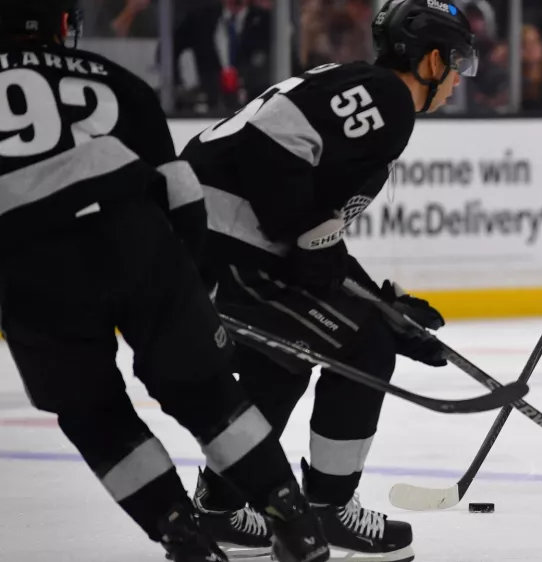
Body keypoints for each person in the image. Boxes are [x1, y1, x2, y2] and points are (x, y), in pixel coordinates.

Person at [0, 2, 329, 562]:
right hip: (137, 241)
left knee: (94, 412)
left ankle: (183, 537)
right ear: (61, 24)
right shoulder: (114, 78)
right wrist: (192, 283)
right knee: (205, 390)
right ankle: (296, 522)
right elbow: (181, 192)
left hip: (29, 264)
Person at [179, 0, 478, 559]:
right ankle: (329, 509)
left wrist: (382, 301)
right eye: (457, 63)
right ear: (433, 61)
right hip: (225, 239)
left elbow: (316, 235)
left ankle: (221, 506)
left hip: (207, 234)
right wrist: (363, 306)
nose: (459, 79)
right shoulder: (389, 99)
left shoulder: (362, 89)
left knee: (282, 362)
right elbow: (274, 152)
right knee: (364, 346)